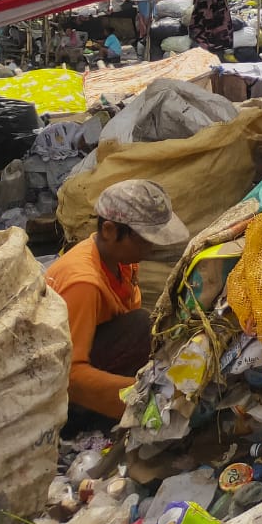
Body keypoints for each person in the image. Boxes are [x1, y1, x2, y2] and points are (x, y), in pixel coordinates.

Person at [45, 180, 188, 424]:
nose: (150, 247)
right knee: (142, 326)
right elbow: (68, 374)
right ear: (109, 231)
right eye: (143, 239)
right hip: (56, 393)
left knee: (151, 330)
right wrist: (140, 392)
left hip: (97, 353)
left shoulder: (121, 260)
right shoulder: (84, 283)